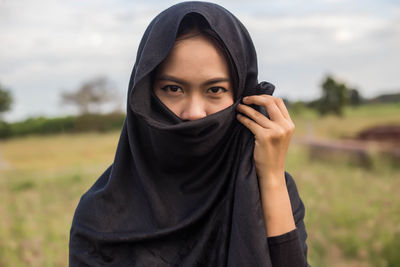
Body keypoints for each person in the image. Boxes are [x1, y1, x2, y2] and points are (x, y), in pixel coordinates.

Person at [69, 2, 309, 266]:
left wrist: (272, 180)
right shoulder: (100, 215)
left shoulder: (273, 189)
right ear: (145, 95)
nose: (194, 113)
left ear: (243, 94)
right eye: (173, 88)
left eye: (215, 90)